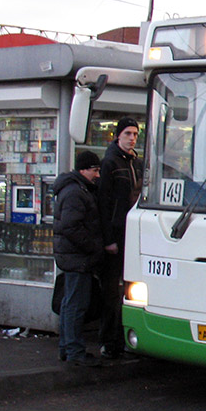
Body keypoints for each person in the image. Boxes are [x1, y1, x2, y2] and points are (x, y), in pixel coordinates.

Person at [53, 151, 105, 367]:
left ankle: (68, 348)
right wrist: (93, 247)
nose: (98, 175)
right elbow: (71, 226)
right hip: (78, 257)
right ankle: (74, 351)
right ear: (83, 170)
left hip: (72, 255)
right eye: (95, 170)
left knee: (70, 303)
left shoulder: (73, 189)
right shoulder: (76, 192)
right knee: (76, 304)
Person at [98, 117, 143, 359]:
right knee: (112, 291)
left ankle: (123, 336)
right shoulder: (111, 163)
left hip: (131, 233)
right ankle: (108, 340)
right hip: (116, 233)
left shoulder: (135, 162)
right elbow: (104, 204)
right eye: (128, 133)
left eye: (135, 134)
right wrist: (108, 239)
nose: (132, 138)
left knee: (129, 289)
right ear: (118, 136)